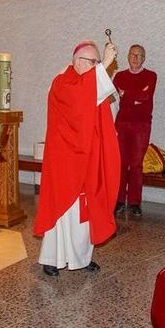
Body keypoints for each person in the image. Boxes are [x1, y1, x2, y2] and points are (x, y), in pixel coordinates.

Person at [33, 41, 120, 277]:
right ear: (78, 61)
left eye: (97, 63)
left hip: (87, 156)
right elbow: (80, 99)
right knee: (63, 209)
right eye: (94, 62)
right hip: (66, 161)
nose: (96, 66)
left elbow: (99, 104)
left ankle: (82, 258)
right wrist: (107, 65)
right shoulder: (62, 82)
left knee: (86, 210)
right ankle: (52, 258)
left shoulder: (84, 82)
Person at [113, 44, 157, 216]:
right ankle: (118, 200)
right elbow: (133, 96)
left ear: (144, 58)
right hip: (122, 124)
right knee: (121, 163)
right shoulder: (120, 76)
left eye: (139, 55)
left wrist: (126, 95)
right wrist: (135, 96)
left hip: (141, 125)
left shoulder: (151, 76)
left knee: (136, 164)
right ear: (128, 56)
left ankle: (134, 202)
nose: (135, 58)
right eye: (132, 55)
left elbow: (145, 96)